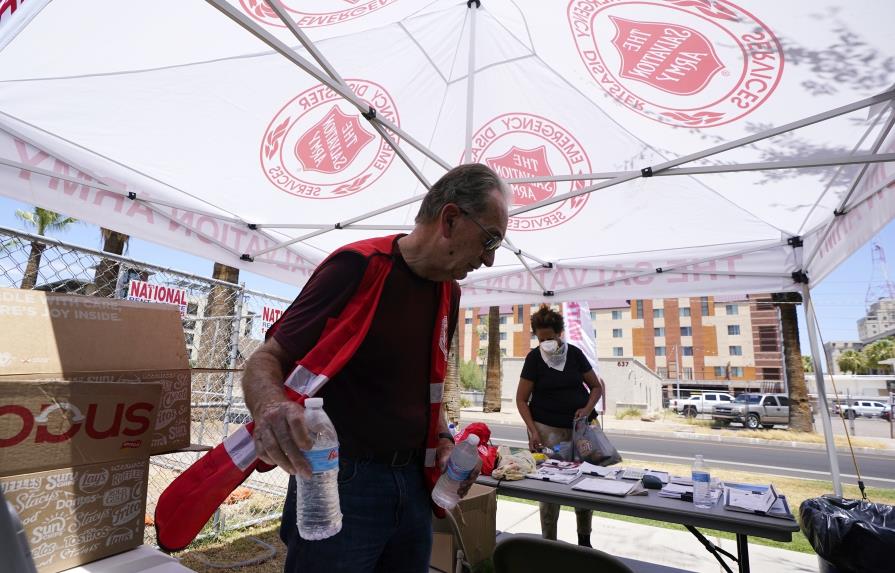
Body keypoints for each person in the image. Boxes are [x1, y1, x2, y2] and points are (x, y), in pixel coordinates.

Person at [242, 163, 509, 573]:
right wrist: (270, 409)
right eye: (489, 240)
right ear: (450, 219)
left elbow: (425, 388)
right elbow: (266, 358)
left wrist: (443, 441)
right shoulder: (356, 266)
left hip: (415, 490)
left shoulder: (448, 294)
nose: (489, 260)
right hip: (342, 484)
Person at [515, 304, 604, 547]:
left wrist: (586, 410)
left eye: (550, 338)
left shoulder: (574, 354)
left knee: (584, 482)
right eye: (541, 338)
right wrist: (533, 430)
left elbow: (596, 387)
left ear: (559, 334)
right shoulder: (534, 359)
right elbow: (521, 399)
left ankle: (584, 540)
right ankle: (549, 543)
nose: (546, 343)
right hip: (547, 430)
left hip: (581, 429)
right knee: (549, 489)